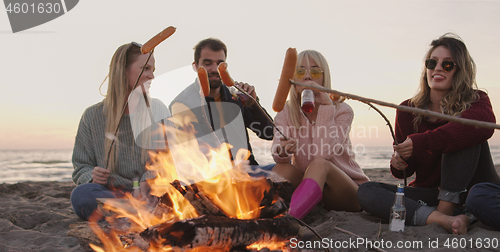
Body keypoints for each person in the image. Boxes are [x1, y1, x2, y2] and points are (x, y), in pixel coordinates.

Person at [357, 33, 500, 235]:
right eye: (432, 62)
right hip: (430, 194)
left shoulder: (476, 100)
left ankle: (446, 210)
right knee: (366, 191)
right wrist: (399, 162)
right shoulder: (408, 109)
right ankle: (442, 219)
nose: (438, 68)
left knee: (462, 128)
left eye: (448, 64)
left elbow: (483, 125)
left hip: (476, 194)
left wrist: (423, 141)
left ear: (460, 70)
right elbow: (406, 171)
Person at [70, 42, 170, 221]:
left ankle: (129, 214)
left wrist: (147, 183)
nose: (152, 75)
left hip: (152, 192)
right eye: (146, 68)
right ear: (123, 70)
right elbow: (80, 165)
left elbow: (167, 160)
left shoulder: (158, 109)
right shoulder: (92, 116)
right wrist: (92, 176)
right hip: (113, 193)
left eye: (153, 69)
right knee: (82, 195)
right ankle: (136, 213)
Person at [271, 49, 369, 219]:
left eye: (315, 71)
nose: (307, 77)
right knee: (282, 168)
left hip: (346, 191)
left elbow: (322, 154)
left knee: (319, 164)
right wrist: (283, 150)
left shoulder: (342, 111)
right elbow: (278, 153)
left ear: (324, 78)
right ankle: (263, 211)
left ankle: (289, 219)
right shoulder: (285, 113)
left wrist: (325, 106)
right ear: (292, 78)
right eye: (300, 71)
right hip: (310, 190)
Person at [169, 38, 274, 172]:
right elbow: (198, 153)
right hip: (215, 178)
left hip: (249, 170)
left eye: (220, 63)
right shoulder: (183, 103)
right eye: (207, 63)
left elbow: (269, 133)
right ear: (195, 66)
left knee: (287, 171)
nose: (215, 69)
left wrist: (253, 105)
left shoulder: (235, 96)